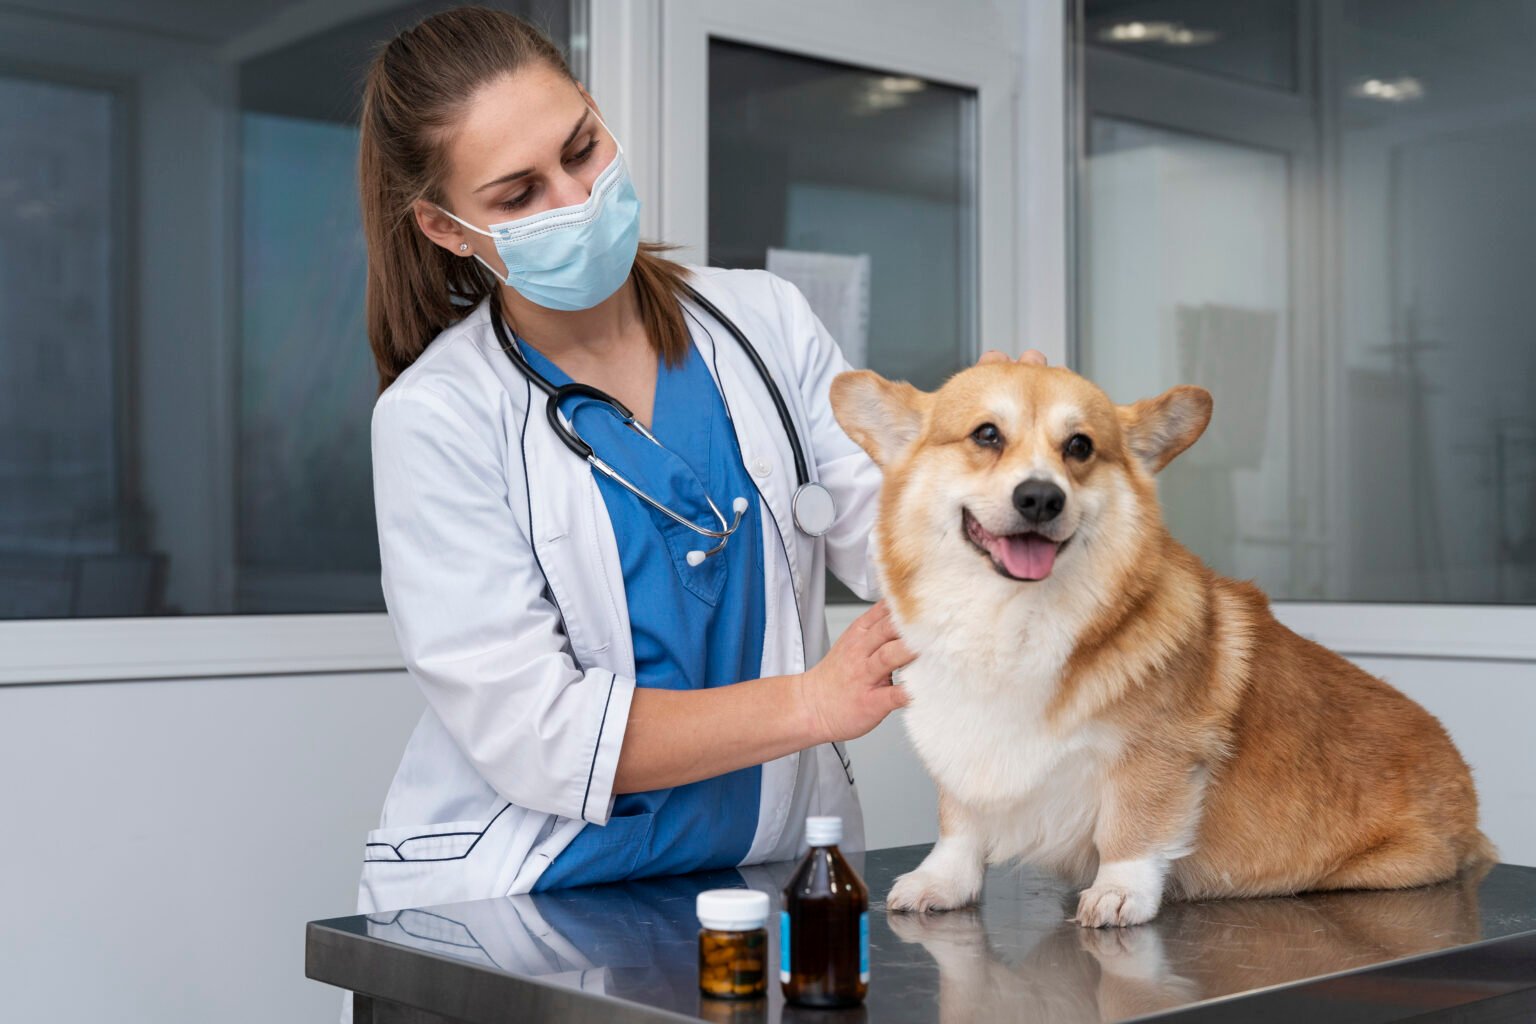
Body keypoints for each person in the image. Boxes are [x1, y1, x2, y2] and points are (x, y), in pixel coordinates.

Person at [355, 5, 1043, 914]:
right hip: (531, 898)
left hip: (759, 876)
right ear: (446, 229)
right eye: (518, 196)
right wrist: (811, 703)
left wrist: (987, 481)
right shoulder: (438, 418)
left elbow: (895, 547)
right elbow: (539, 732)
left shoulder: (765, 324)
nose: (575, 200)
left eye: (582, 149)